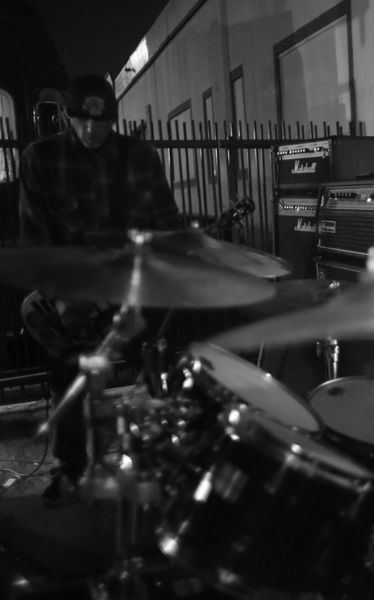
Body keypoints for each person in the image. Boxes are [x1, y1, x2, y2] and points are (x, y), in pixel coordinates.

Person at [18, 73, 181, 506]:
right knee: (69, 381)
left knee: (160, 364)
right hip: (71, 293)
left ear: (114, 118)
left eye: (102, 122)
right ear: (66, 116)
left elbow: (166, 221)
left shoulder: (139, 156)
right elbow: (35, 237)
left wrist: (177, 255)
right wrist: (61, 293)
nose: (91, 130)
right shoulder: (40, 158)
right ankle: (70, 468)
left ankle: (166, 460)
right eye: (82, 120)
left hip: (127, 287)